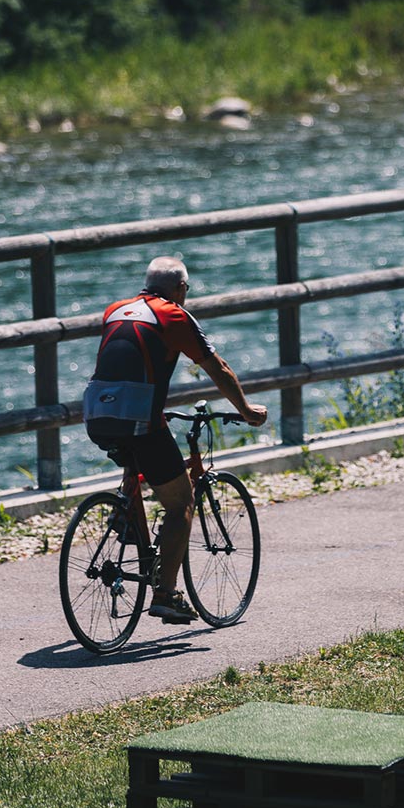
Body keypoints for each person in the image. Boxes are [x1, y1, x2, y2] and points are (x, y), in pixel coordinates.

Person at [82, 256, 268, 624]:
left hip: (96, 414)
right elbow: (218, 368)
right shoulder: (174, 315)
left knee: (138, 459)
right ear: (181, 289)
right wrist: (246, 410)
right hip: (140, 419)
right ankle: (166, 594)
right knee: (181, 503)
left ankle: (127, 517)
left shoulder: (115, 310)